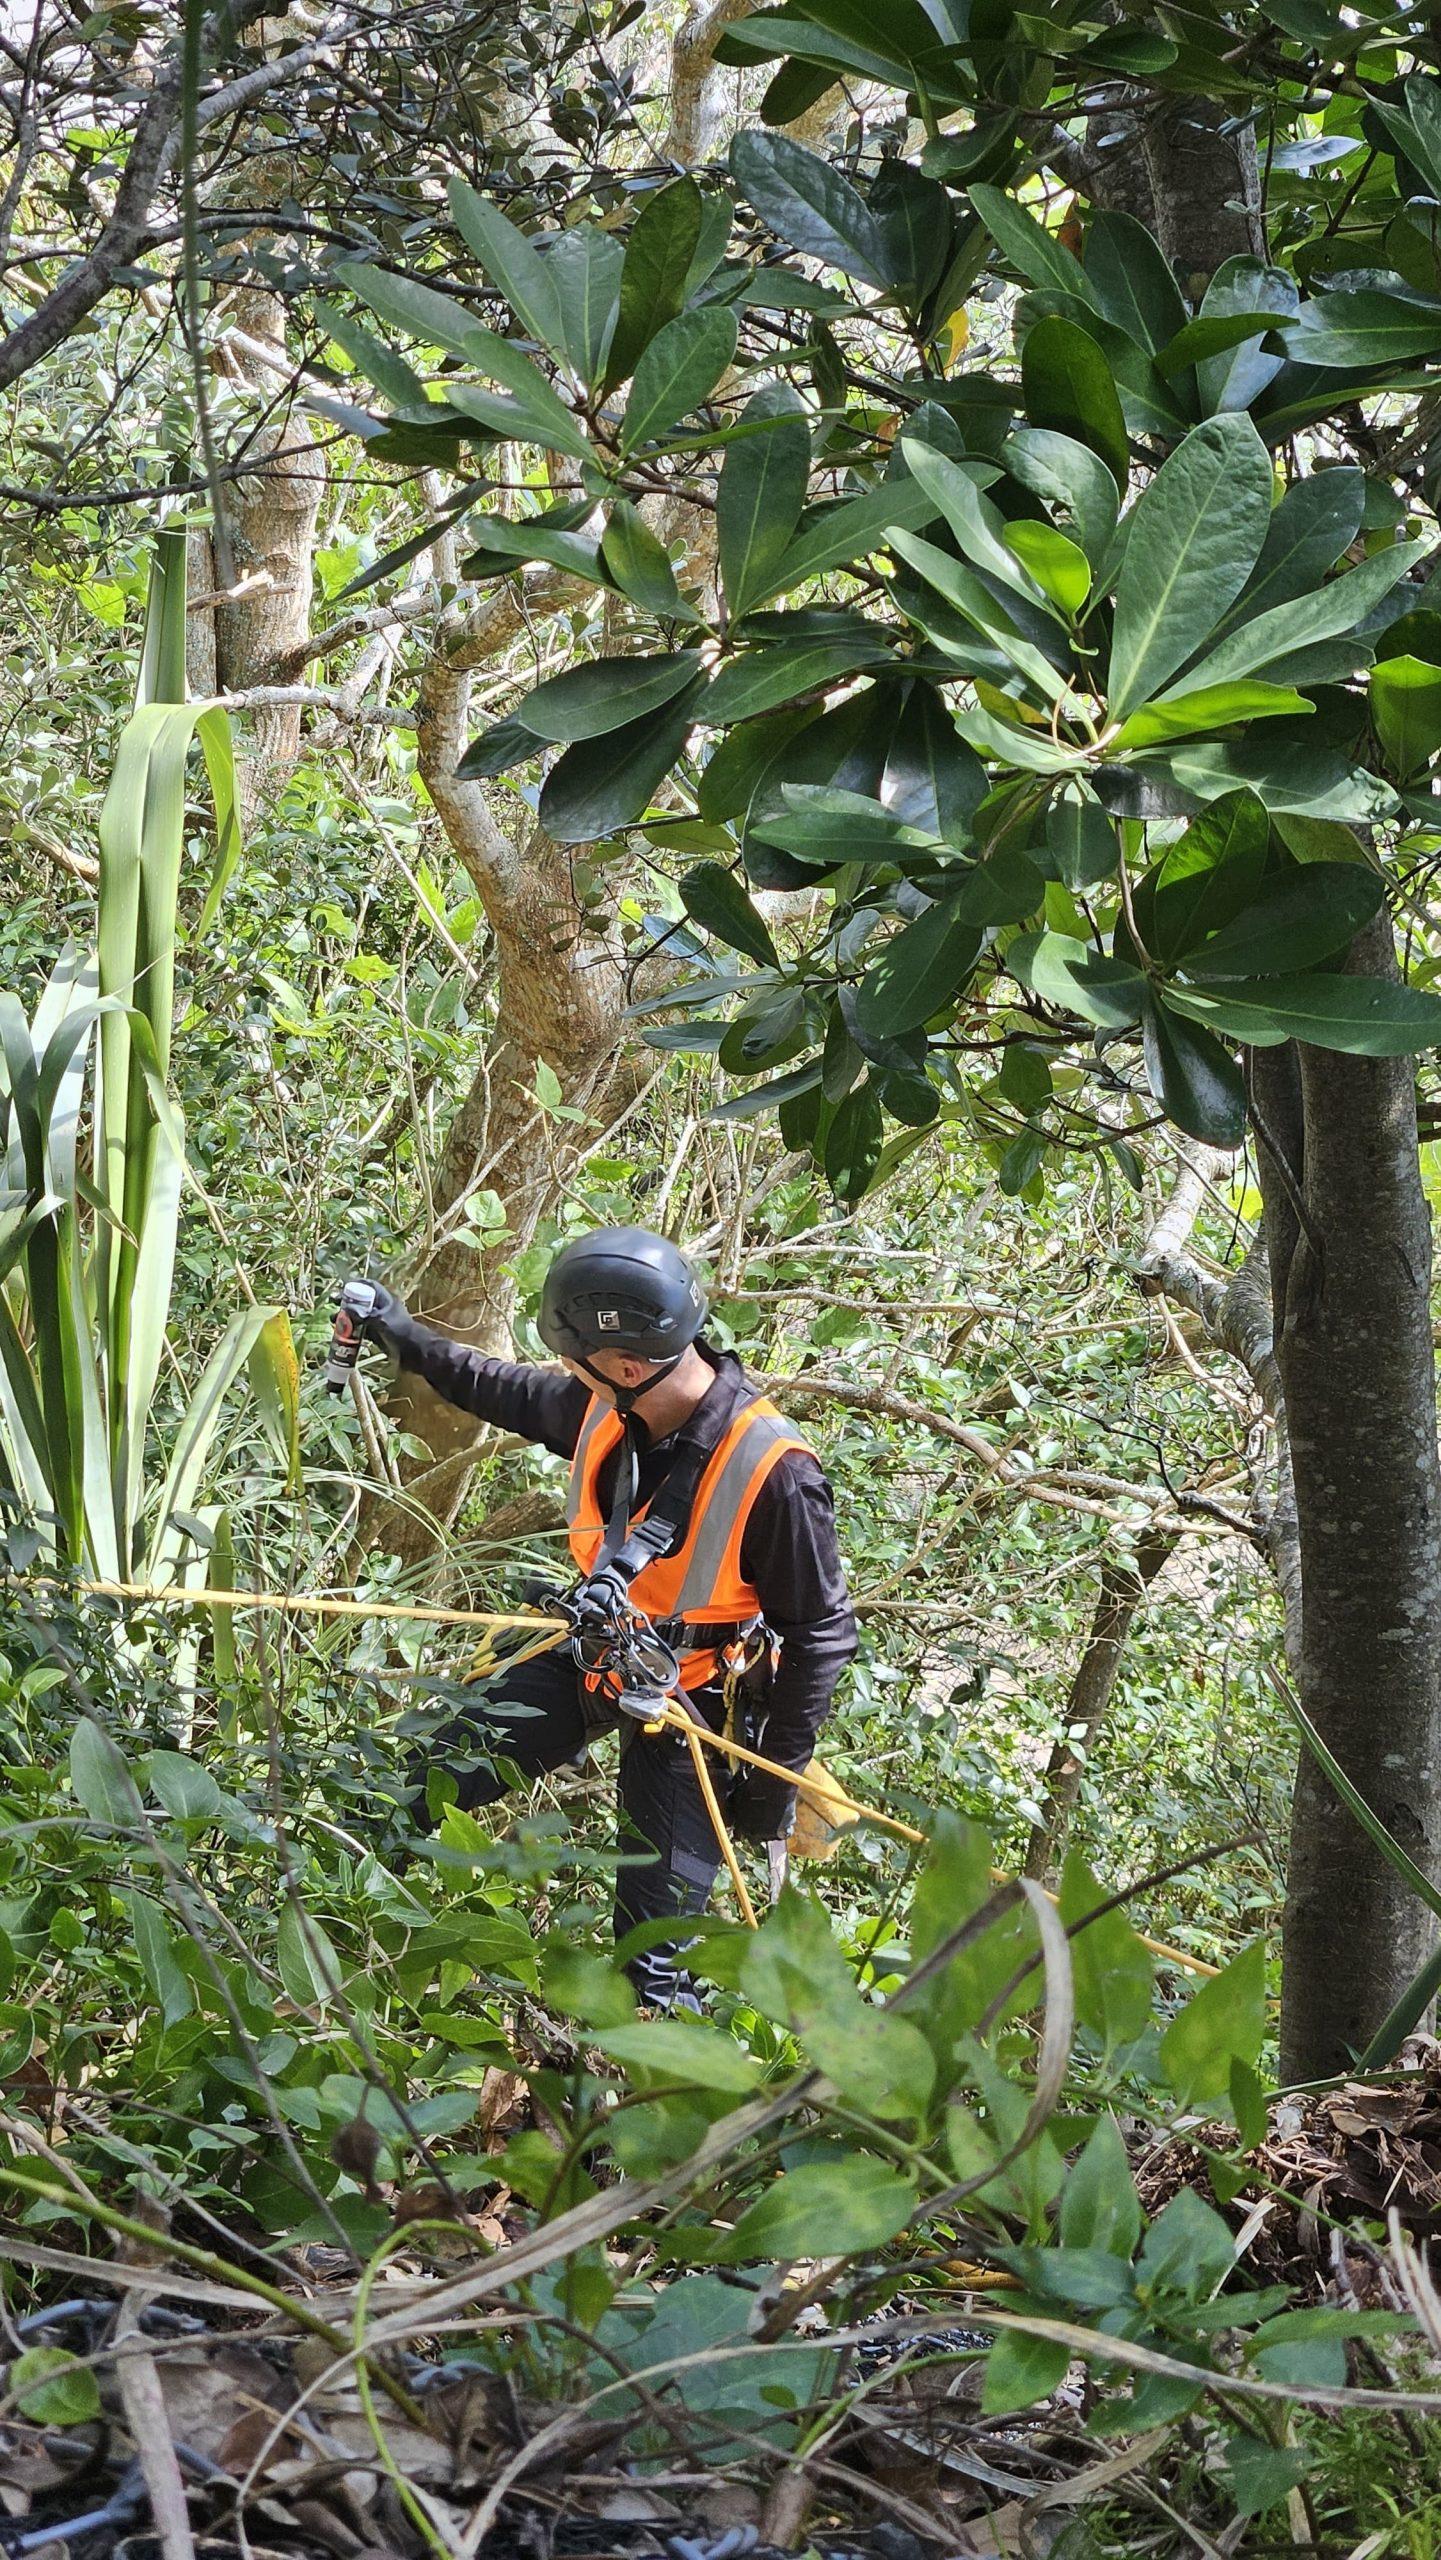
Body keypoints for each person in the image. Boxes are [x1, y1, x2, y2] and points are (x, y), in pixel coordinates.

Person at [358, 1228, 857, 2010]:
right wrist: (401, 1335)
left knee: (650, 1966)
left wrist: (770, 1781)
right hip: (597, 1654)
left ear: (626, 1366)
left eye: (571, 1359)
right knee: (398, 1792)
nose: (563, 1374)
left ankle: (650, 2095)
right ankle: (345, 1946)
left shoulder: (774, 1473)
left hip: (698, 1701)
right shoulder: (606, 1406)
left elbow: (821, 1635)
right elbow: (497, 1387)